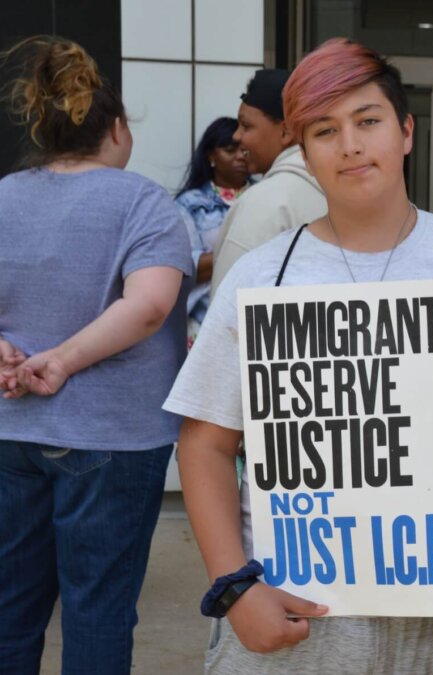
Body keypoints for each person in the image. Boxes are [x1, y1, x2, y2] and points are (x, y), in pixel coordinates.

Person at [163, 38, 433, 674]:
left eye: (369, 121)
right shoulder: (262, 278)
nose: (352, 145)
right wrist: (234, 588)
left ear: (406, 131)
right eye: (325, 130)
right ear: (302, 152)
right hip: (293, 613)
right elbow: (205, 443)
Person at [0, 36, 192, 674]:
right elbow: (149, 306)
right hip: (114, 438)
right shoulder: (141, 201)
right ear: (117, 128)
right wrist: (65, 359)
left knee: (10, 607)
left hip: (9, 429)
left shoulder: (4, 196)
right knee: (98, 609)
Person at [208, 68, 327, 297]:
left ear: (286, 132)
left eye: (246, 125)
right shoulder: (345, 193)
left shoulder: (265, 203)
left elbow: (230, 312)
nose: (236, 136)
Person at [176, 116, 250, 332]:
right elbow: (186, 269)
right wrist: (245, 249)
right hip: (205, 320)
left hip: (255, 318)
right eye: (230, 149)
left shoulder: (266, 196)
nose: (240, 157)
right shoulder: (189, 205)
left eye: (244, 150)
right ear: (211, 156)